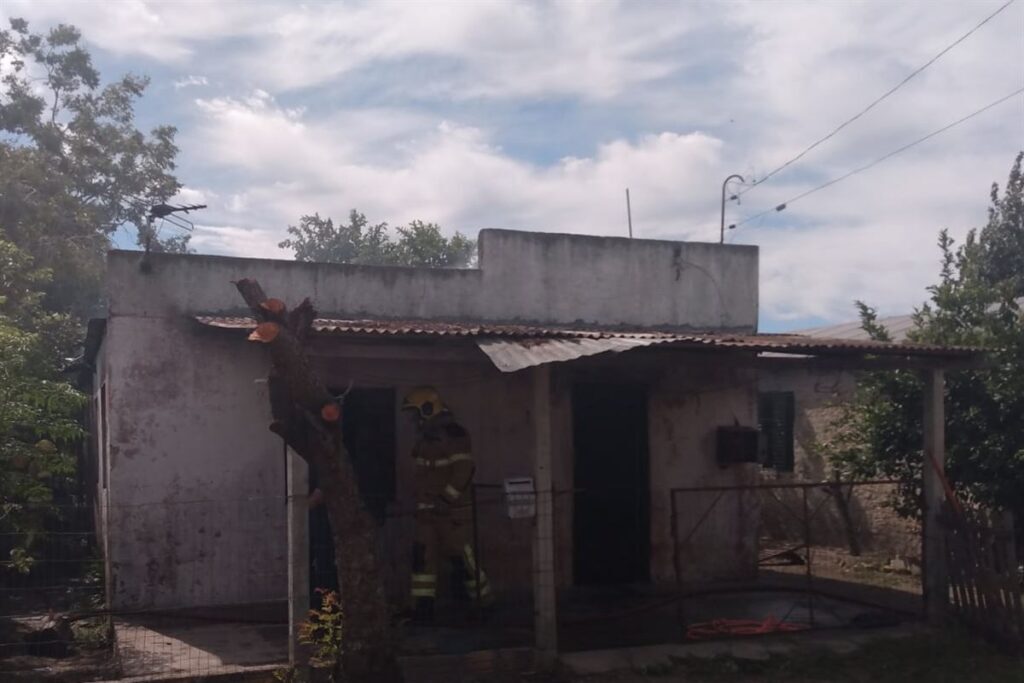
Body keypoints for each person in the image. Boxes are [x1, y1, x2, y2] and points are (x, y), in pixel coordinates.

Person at [402, 387, 492, 622]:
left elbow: (464, 471)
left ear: (427, 409)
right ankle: (423, 610)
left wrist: (445, 500)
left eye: (414, 414)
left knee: (464, 560)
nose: (412, 420)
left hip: (453, 515)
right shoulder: (423, 440)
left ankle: (484, 606)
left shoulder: (454, 435)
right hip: (427, 515)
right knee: (423, 559)